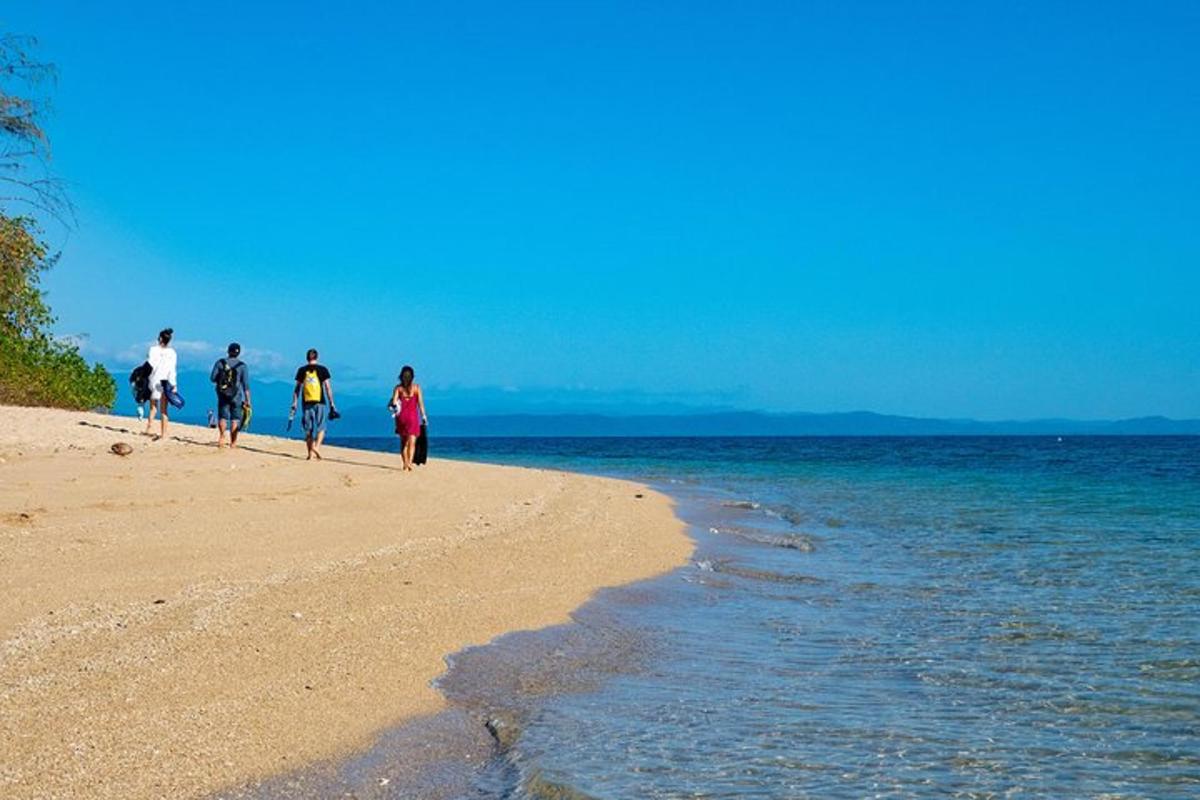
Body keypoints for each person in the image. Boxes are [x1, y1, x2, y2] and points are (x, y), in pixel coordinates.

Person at [290, 348, 336, 461]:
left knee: (308, 429)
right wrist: (332, 403)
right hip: (320, 402)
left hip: (306, 402)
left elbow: (297, 389)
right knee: (321, 427)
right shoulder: (323, 370)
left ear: (307, 358)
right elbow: (327, 387)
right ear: (317, 357)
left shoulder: (302, 370)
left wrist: (294, 402)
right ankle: (316, 447)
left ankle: (310, 454)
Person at [210, 342, 252, 449]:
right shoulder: (242, 366)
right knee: (235, 418)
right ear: (238, 353)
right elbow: (246, 385)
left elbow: (212, 378)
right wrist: (248, 401)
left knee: (223, 416)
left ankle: (222, 437)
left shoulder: (220, 363)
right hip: (236, 395)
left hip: (222, 393)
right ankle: (233, 442)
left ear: (228, 351)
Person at [390, 365, 427, 471]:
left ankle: (405, 463)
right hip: (413, 418)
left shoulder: (398, 388)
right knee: (412, 442)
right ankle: (410, 463)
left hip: (401, 418)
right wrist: (424, 416)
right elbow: (420, 404)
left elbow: (394, 403)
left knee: (403, 442)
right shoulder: (416, 388)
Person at [144, 328, 177, 440]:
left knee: (153, 406)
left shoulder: (153, 350)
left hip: (153, 379)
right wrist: (174, 384)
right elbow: (172, 370)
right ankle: (163, 434)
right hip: (165, 381)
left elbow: (150, 364)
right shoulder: (172, 353)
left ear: (160, 338)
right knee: (164, 409)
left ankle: (149, 427)